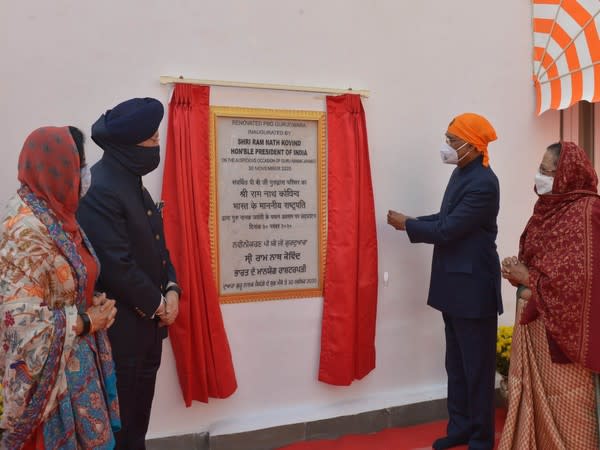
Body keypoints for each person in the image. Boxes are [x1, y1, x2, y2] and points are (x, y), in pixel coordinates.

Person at [388, 113, 502, 450]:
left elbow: (449, 230)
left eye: (453, 141)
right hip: (453, 286)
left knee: (477, 370)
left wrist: (407, 226)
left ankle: (481, 438)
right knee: (456, 365)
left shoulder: (483, 182)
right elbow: (444, 218)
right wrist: (412, 221)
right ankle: (461, 428)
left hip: (474, 289)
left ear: (471, 145)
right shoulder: (461, 173)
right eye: (448, 139)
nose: (447, 146)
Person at [0, 126, 119, 449]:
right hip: (48, 388)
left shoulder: (57, 213)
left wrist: (89, 296)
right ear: (58, 168)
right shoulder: (23, 230)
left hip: (77, 364)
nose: (84, 174)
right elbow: (21, 325)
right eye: (79, 165)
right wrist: (85, 320)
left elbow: (65, 276)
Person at [77, 98, 181, 450]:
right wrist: (158, 304)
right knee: (121, 432)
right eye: (152, 141)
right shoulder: (101, 188)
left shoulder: (132, 182)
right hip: (121, 335)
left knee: (138, 425)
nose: (157, 147)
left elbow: (156, 246)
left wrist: (172, 289)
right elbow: (116, 265)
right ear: (128, 145)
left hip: (147, 328)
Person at [499, 142, 600, 449]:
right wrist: (520, 267)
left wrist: (528, 278)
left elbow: (584, 280)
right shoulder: (548, 206)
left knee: (570, 414)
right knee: (537, 409)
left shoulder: (589, 212)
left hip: (565, 338)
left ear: (566, 174)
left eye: (546, 170)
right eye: (540, 169)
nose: (538, 176)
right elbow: (545, 259)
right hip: (537, 328)